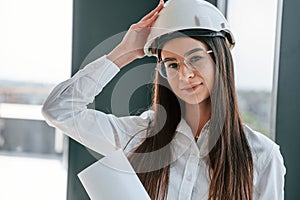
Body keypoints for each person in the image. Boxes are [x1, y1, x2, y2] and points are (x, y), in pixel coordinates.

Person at [42, 0, 286, 199]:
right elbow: (59, 110)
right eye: (172, 64)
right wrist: (124, 52)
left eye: (196, 58)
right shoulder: (138, 137)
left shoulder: (262, 155)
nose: (185, 74)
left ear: (220, 59)